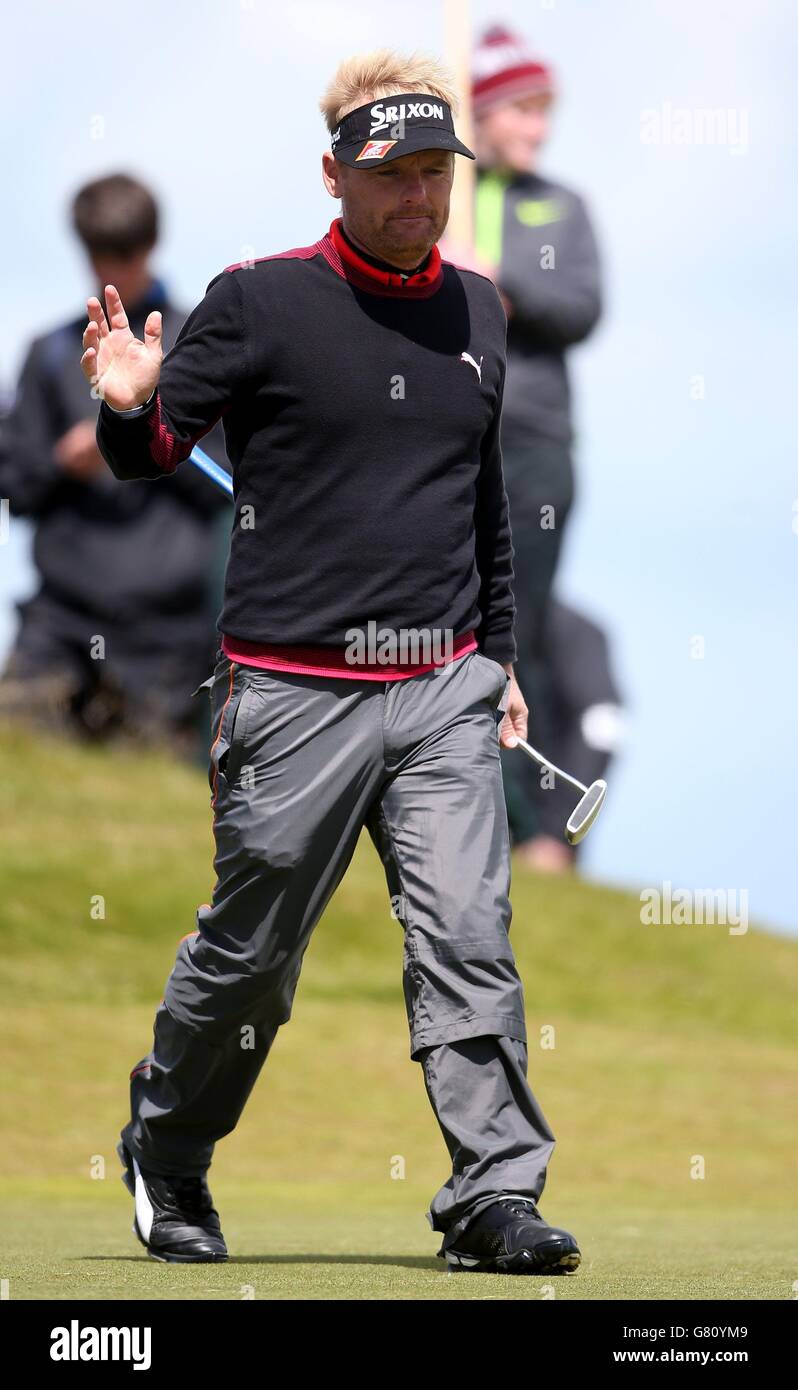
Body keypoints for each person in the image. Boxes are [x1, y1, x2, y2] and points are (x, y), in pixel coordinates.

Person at [83, 49, 582, 1278]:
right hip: (290, 693)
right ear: (335, 174)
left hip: (443, 687)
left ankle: (492, 1194)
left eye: (435, 175)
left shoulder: (478, 308)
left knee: (468, 937)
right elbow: (150, 455)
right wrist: (126, 404)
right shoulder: (256, 299)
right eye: (395, 175)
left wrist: (500, 659)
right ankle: (171, 1140)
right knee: (254, 960)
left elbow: (486, 507)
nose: (419, 199)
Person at [0, 173, 230, 761]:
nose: (115, 268)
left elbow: (235, 485)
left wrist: (138, 437)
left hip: (171, 633)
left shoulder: (195, 345)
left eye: (126, 253)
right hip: (60, 624)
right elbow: (13, 483)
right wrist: (62, 462)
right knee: (19, 763)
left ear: (151, 246)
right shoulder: (52, 353)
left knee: (155, 793)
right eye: (101, 254)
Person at [469, 26, 603, 871]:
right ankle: (476, 811)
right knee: (454, 620)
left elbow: (582, 306)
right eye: (523, 109)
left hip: (536, 446)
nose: (539, 130)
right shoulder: (436, 192)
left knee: (521, 626)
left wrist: (501, 283)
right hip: (454, 437)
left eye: (544, 112)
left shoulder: (561, 206)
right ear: (481, 110)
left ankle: (542, 831)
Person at [502, 596, 626, 867]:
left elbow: (601, 728)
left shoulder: (575, 632)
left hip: (537, 838)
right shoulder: (462, 615)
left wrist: (554, 832)